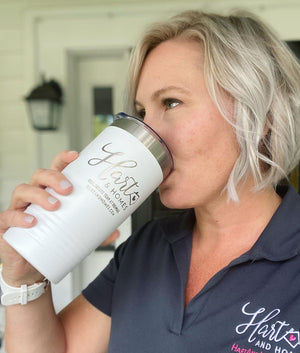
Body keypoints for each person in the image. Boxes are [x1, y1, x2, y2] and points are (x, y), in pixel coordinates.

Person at [0, 9, 300, 353]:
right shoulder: (147, 247)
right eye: (142, 112)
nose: (148, 131)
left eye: (171, 102)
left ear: (261, 115)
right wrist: (24, 278)